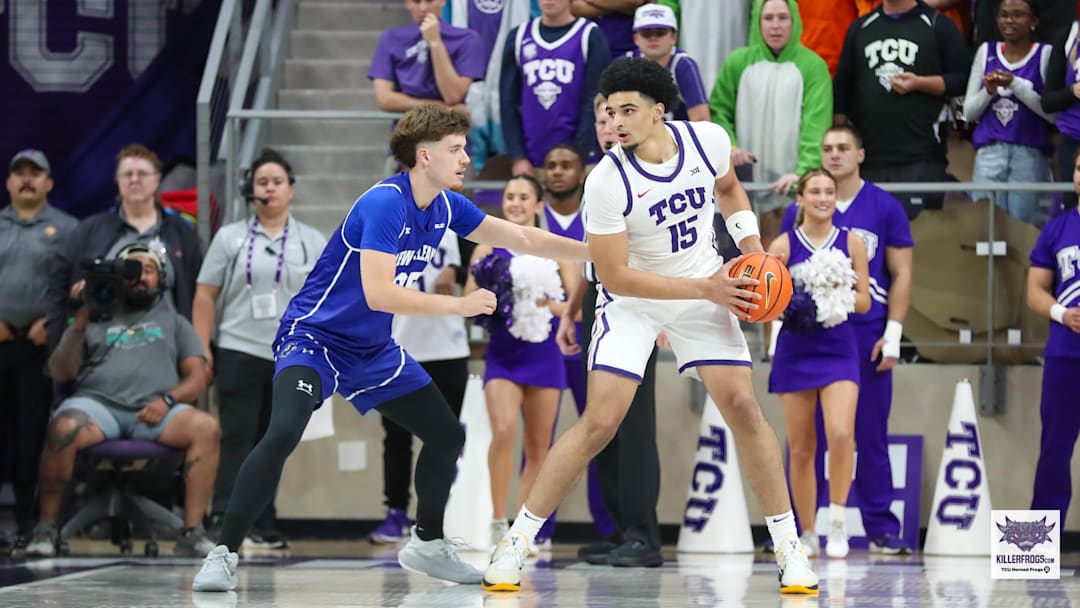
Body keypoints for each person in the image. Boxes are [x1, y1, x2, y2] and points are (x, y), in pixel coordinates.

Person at [191, 105, 590, 592]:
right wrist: (459, 306)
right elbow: (380, 293)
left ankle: (426, 541)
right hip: (314, 338)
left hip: (371, 348)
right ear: (425, 156)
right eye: (456, 149)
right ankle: (223, 553)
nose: (466, 158)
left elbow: (524, 235)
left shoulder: (445, 205)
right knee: (282, 432)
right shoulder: (384, 204)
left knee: (447, 436)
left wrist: (598, 252)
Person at [484, 57, 819, 595]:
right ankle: (516, 544)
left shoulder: (707, 139)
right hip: (632, 301)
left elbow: (729, 189)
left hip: (704, 290)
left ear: (659, 110)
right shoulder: (605, 181)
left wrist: (752, 249)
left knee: (745, 408)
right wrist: (708, 288)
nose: (614, 122)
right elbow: (616, 274)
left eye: (626, 111)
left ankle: (790, 549)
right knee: (599, 423)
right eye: (608, 112)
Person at [25, 244, 219, 558]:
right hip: (99, 407)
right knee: (63, 428)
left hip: (157, 412)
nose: (140, 276)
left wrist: (168, 400)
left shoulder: (173, 320)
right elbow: (61, 372)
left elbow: (198, 377)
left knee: (207, 428)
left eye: (149, 270)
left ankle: (192, 531)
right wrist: (82, 316)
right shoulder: (93, 314)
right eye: (131, 269)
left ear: (162, 278)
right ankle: (45, 528)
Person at [781, 124, 914, 554]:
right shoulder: (795, 218)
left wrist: (893, 333)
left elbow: (902, 273)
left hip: (863, 334)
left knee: (862, 434)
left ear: (860, 153)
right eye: (827, 149)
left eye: (842, 148)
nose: (835, 155)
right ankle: (804, 528)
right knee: (804, 440)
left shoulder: (884, 206)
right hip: (805, 335)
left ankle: (879, 527)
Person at [192, 149, 327, 550]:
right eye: (262, 182)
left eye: (277, 182)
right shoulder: (230, 237)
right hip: (238, 348)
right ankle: (225, 519)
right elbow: (205, 294)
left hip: (290, 355)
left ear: (291, 189)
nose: (269, 189)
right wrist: (203, 348)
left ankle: (263, 520)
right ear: (251, 190)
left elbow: (324, 298)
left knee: (276, 438)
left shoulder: (311, 240)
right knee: (237, 436)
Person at [465, 175, 575, 551]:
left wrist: (543, 304)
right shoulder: (487, 246)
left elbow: (573, 306)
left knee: (538, 446)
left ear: (538, 204)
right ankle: (498, 520)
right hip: (504, 353)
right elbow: (469, 300)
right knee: (504, 431)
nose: (515, 203)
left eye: (524, 197)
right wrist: (497, 299)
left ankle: (524, 528)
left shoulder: (555, 247)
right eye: (510, 196)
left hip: (544, 353)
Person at [768, 168, 870, 560]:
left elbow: (864, 302)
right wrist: (795, 309)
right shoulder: (783, 244)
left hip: (839, 346)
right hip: (796, 350)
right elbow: (767, 302)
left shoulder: (852, 242)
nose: (823, 198)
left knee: (842, 433)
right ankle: (807, 531)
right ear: (801, 198)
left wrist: (830, 297)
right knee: (801, 446)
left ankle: (839, 521)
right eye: (815, 191)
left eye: (829, 191)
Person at [46, 144, 203, 349]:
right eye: (127, 174)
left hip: (167, 350)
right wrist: (57, 343)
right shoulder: (90, 230)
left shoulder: (180, 231)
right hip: (103, 350)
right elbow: (58, 283)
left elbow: (199, 293)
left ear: (157, 180)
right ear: (117, 181)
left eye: (143, 174)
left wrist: (198, 350)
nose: (135, 180)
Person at [369, 228, 470, 544]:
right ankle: (396, 512)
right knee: (396, 438)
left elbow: (483, 267)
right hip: (398, 347)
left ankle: (438, 518)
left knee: (447, 439)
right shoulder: (385, 226)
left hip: (449, 349)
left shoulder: (455, 223)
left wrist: (457, 270)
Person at [0, 150, 77, 548]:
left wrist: (52, 322)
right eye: (19, 174)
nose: (27, 180)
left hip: (39, 348)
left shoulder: (66, 229)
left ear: (49, 182)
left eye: (36, 174)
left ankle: (29, 523)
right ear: (9, 182)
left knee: (31, 436)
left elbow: (75, 287)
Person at [833, 0, 971, 218]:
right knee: (867, 242)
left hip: (921, 156)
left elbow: (963, 79)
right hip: (868, 158)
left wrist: (919, 83)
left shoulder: (937, 24)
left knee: (922, 242)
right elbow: (842, 88)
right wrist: (839, 144)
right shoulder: (861, 27)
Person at [710, 0, 832, 242]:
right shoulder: (738, 62)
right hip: (744, 187)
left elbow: (816, 126)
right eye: (768, 18)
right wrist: (731, 148)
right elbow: (718, 112)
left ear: (794, 21)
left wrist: (803, 174)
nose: (775, 26)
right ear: (757, 21)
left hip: (790, 187)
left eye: (782, 18)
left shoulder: (813, 66)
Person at [963, 0, 1053, 224]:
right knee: (986, 229)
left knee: (1024, 231)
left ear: (1034, 22)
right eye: (1004, 15)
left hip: (1030, 155)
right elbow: (969, 112)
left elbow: (1052, 113)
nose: (1009, 21)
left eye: (1018, 15)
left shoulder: (1045, 54)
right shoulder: (986, 51)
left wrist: (1015, 84)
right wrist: (990, 91)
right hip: (989, 154)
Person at [1027, 148, 1080, 523]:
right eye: (1079, 167)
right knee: (1054, 450)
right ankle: (1039, 548)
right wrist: (1064, 314)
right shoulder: (1058, 228)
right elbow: (1034, 291)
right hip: (1066, 354)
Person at [500, 0, 611, 176]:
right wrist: (518, 156)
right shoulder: (519, 36)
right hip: (532, 161)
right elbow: (508, 103)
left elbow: (594, 100)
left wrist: (578, 154)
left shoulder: (590, 35)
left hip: (580, 161)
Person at [369, 0, 486, 113]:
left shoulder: (467, 39)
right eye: (416, 1)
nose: (423, 8)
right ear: (408, 3)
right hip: (408, 127)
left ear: (442, 1)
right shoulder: (391, 38)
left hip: (449, 129)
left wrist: (435, 43)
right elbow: (384, 99)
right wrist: (440, 108)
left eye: (430, 1)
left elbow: (453, 96)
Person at [624, 4, 710, 122]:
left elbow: (701, 120)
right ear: (636, 39)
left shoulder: (683, 65)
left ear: (673, 37)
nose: (653, 38)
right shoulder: (625, 64)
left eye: (660, 32)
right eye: (646, 33)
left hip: (678, 137)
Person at [1042, 18, 1080, 211]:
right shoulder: (1067, 36)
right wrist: (1072, 91)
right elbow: (1047, 101)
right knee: (1073, 209)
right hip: (1072, 141)